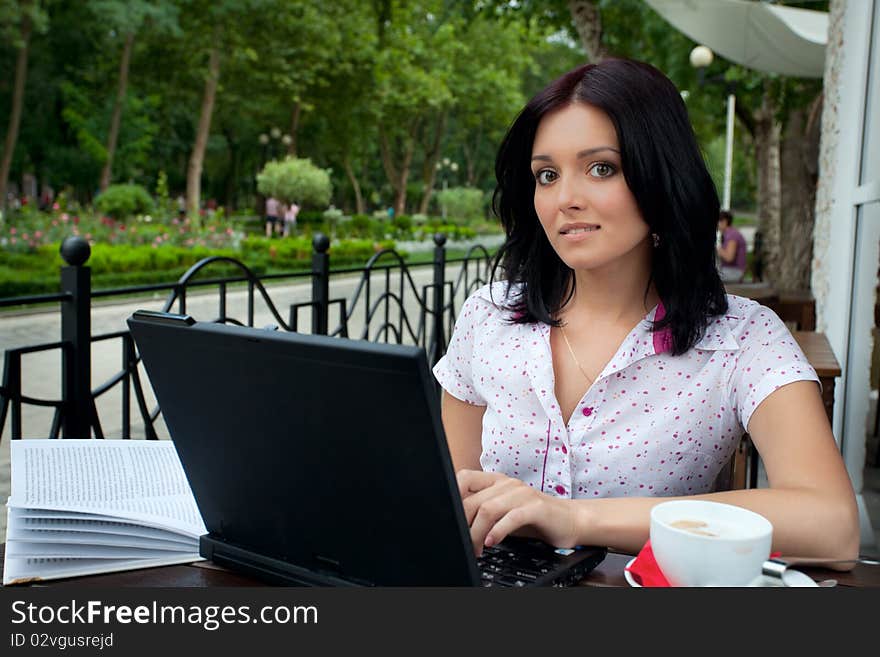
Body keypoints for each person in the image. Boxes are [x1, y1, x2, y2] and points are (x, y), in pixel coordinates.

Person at [432, 58, 859, 567]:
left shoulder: (741, 338)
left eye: (601, 168)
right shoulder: (489, 317)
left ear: (661, 176)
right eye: (546, 175)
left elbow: (832, 525)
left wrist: (577, 519)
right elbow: (449, 508)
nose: (565, 198)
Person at [716, 210, 747, 282]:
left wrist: (717, 248)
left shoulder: (732, 235)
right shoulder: (729, 234)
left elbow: (729, 257)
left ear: (724, 221)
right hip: (730, 270)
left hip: (734, 272)